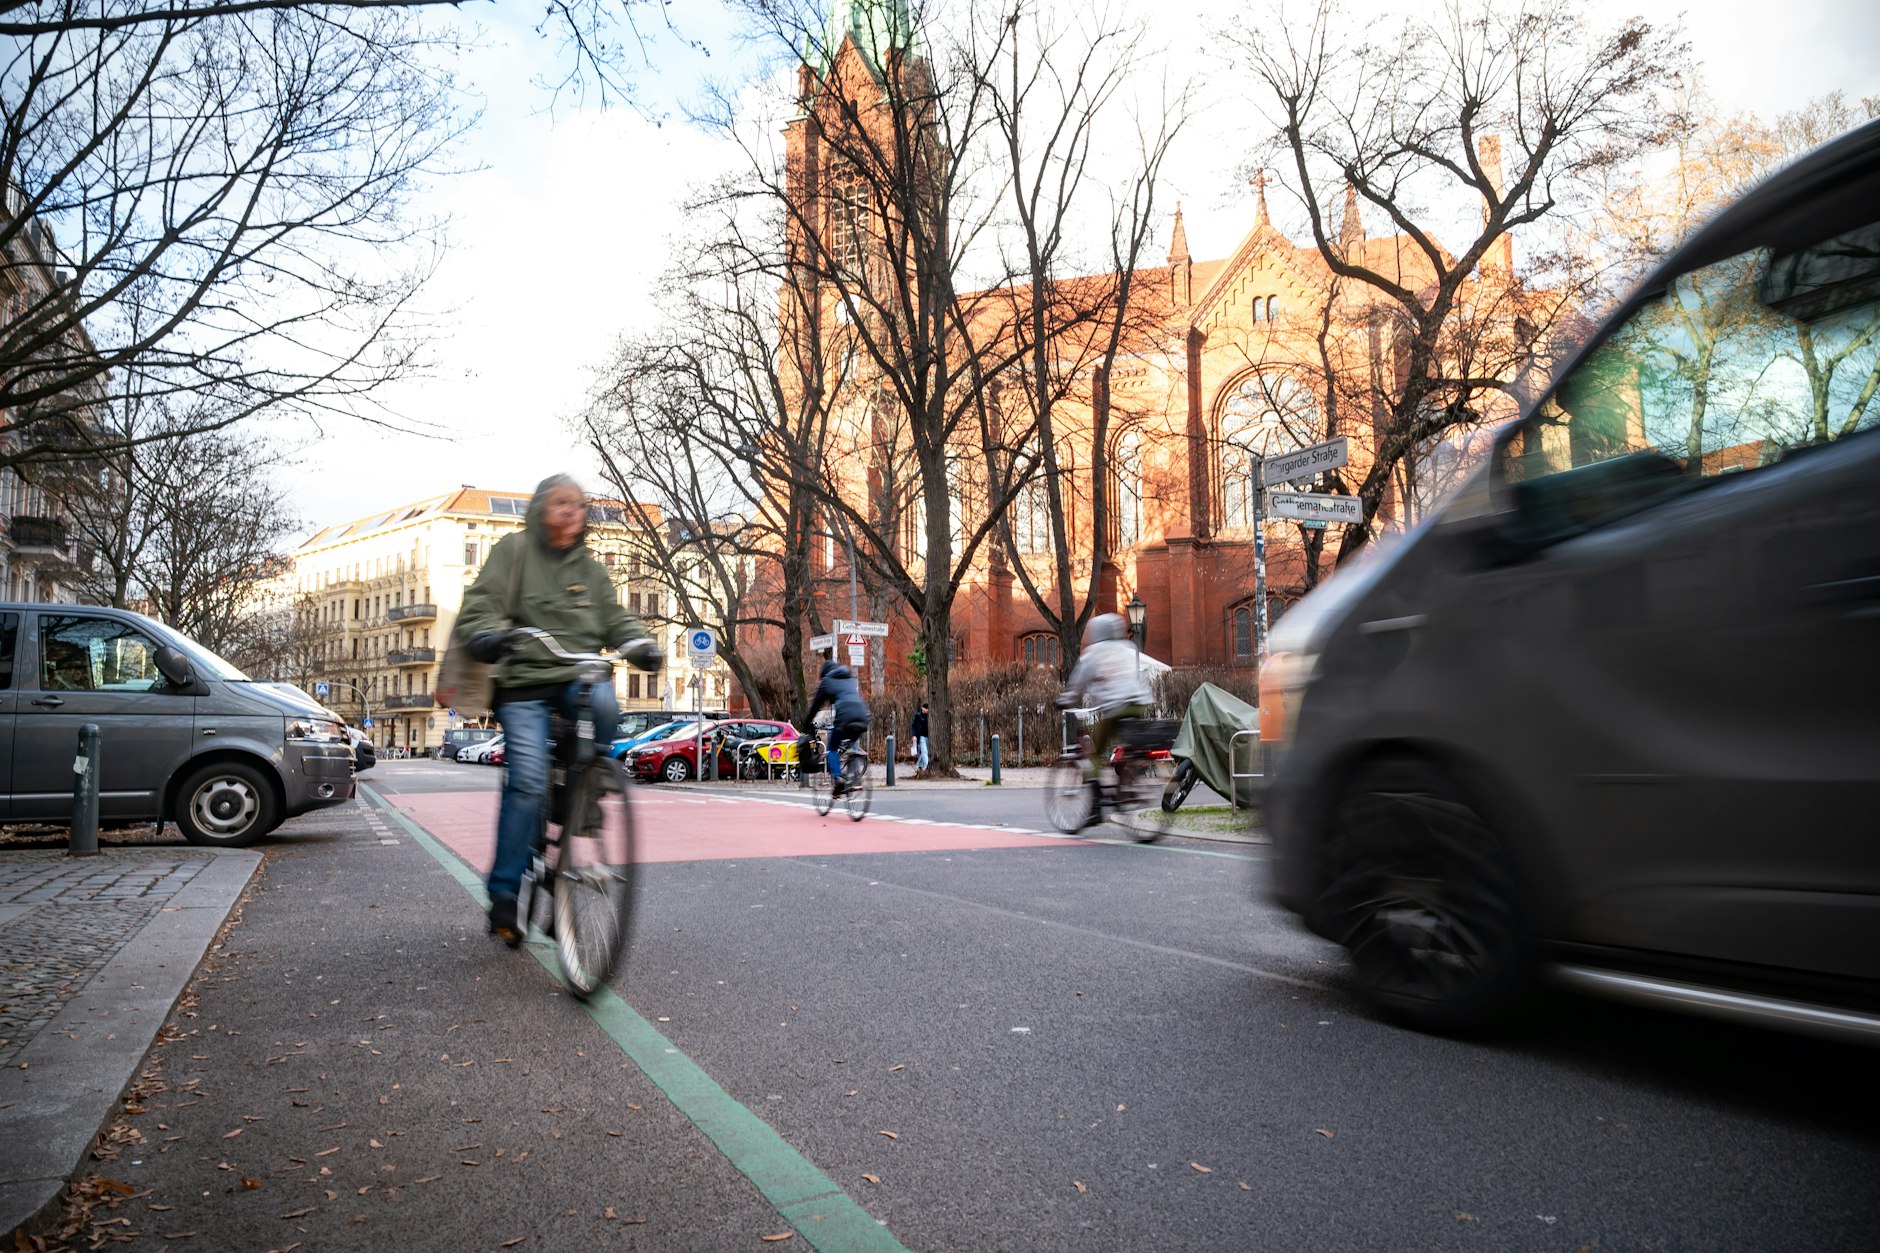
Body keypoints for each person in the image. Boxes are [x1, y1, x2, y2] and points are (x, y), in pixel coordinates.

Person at [455, 475, 664, 947]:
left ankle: (582, 794)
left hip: (576, 677)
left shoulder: (590, 569)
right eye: (562, 504)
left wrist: (638, 642)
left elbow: (615, 616)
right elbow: (482, 602)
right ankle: (505, 895)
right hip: (524, 683)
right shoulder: (513, 551)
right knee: (527, 778)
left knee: (608, 703)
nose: (574, 512)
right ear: (541, 510)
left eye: (580, 505)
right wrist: (487, 634)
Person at [1056, 612, 1152, 788]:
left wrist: (1066, 699)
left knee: (1096, 750)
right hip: (1138, 704)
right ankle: (1127, 778)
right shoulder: (1127, 647)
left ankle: (1095, 803)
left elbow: (1078, 685)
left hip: (1115, 708)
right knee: (1127, 744)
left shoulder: (1093, 653)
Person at [802, 657, 871, 795]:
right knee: (851, 746)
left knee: (832, 747)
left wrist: (806, 725)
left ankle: (838, 778)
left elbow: (815, 706)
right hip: (863, 717)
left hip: (844, 718)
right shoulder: (850, 679)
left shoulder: (827, 682)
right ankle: (854, 779)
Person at [909, 701, 930, 777]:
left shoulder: (929, 716)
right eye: (925, 708)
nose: (926, 710)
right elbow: (914, 726)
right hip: (921, 737)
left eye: (927, 709)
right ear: (922, 708)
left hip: (928, 736)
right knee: (924, 752)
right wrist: (914, 735)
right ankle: (926, 765)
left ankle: (918, 764)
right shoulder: (918, 716)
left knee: (925, 751)